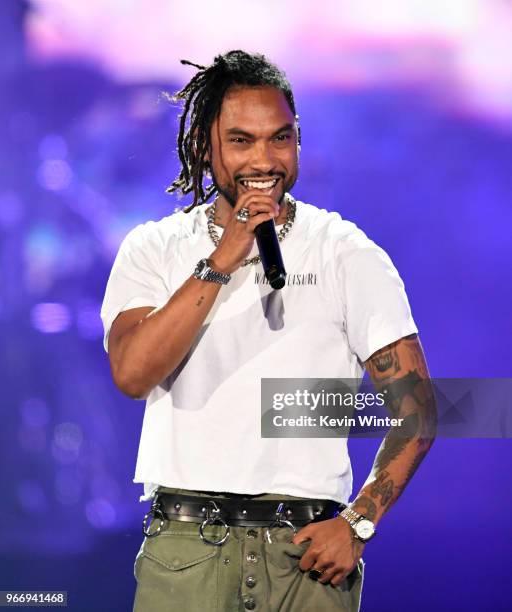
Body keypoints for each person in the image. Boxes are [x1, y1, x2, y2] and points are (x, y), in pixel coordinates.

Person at [100, 50, 437, 612]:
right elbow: (133, 374)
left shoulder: (347, 253)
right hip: (186, 551)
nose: (264, 159)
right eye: (241, 141)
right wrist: (222, 258)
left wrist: (358, 524)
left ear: (298, 141)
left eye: (279, 139)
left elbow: (419, 411)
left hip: (303, 558)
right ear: (206, 149)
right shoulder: (153, 249)